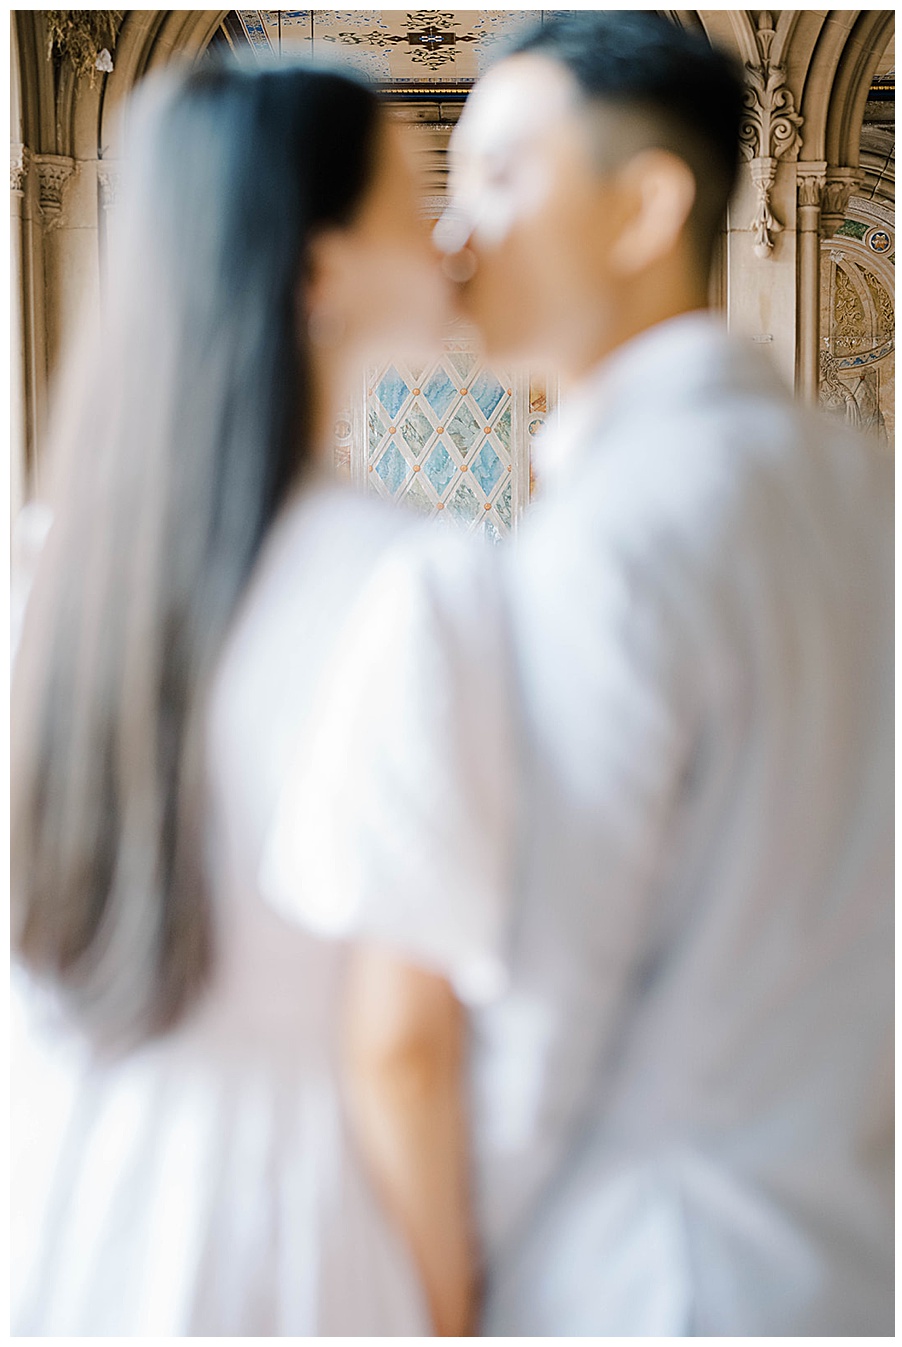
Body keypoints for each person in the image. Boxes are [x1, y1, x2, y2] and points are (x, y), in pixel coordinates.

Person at [263, 11, 894, 1335]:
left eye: (499, 174)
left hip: (635, 1276)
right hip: (829, 1266)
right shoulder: (848, 484)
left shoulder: (613, 533)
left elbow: (535, 1023)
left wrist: (436, 1292)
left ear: (641, 208)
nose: (454, 231)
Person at [11, 63, 471, 1333]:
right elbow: (401, 1049)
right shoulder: (414, 578)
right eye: (401, 202)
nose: (446, 231)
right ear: (315, 273)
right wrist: (454, 1303)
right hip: (291, 1217)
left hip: (67, 1196)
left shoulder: (38, 571)